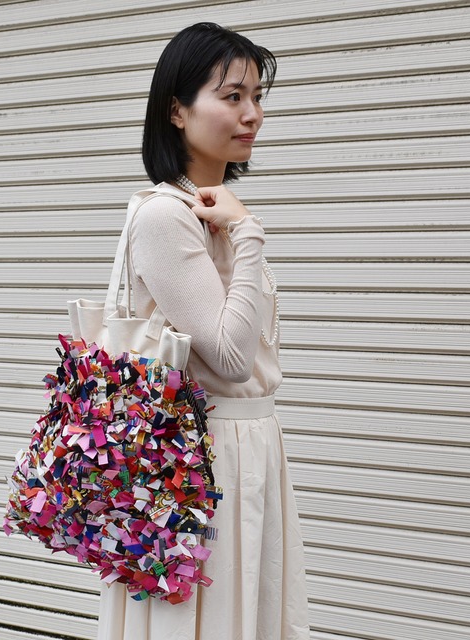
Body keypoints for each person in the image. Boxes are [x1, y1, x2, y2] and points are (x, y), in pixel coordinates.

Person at [97, 22, 310, 640]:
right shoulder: (166, 215)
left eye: (257, 97)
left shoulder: (207, 208)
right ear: (177, 109)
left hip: (246, 448)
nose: (252, 114)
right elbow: (230, 359)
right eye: (232, 95)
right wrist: (247, 232)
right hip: (202, 457)